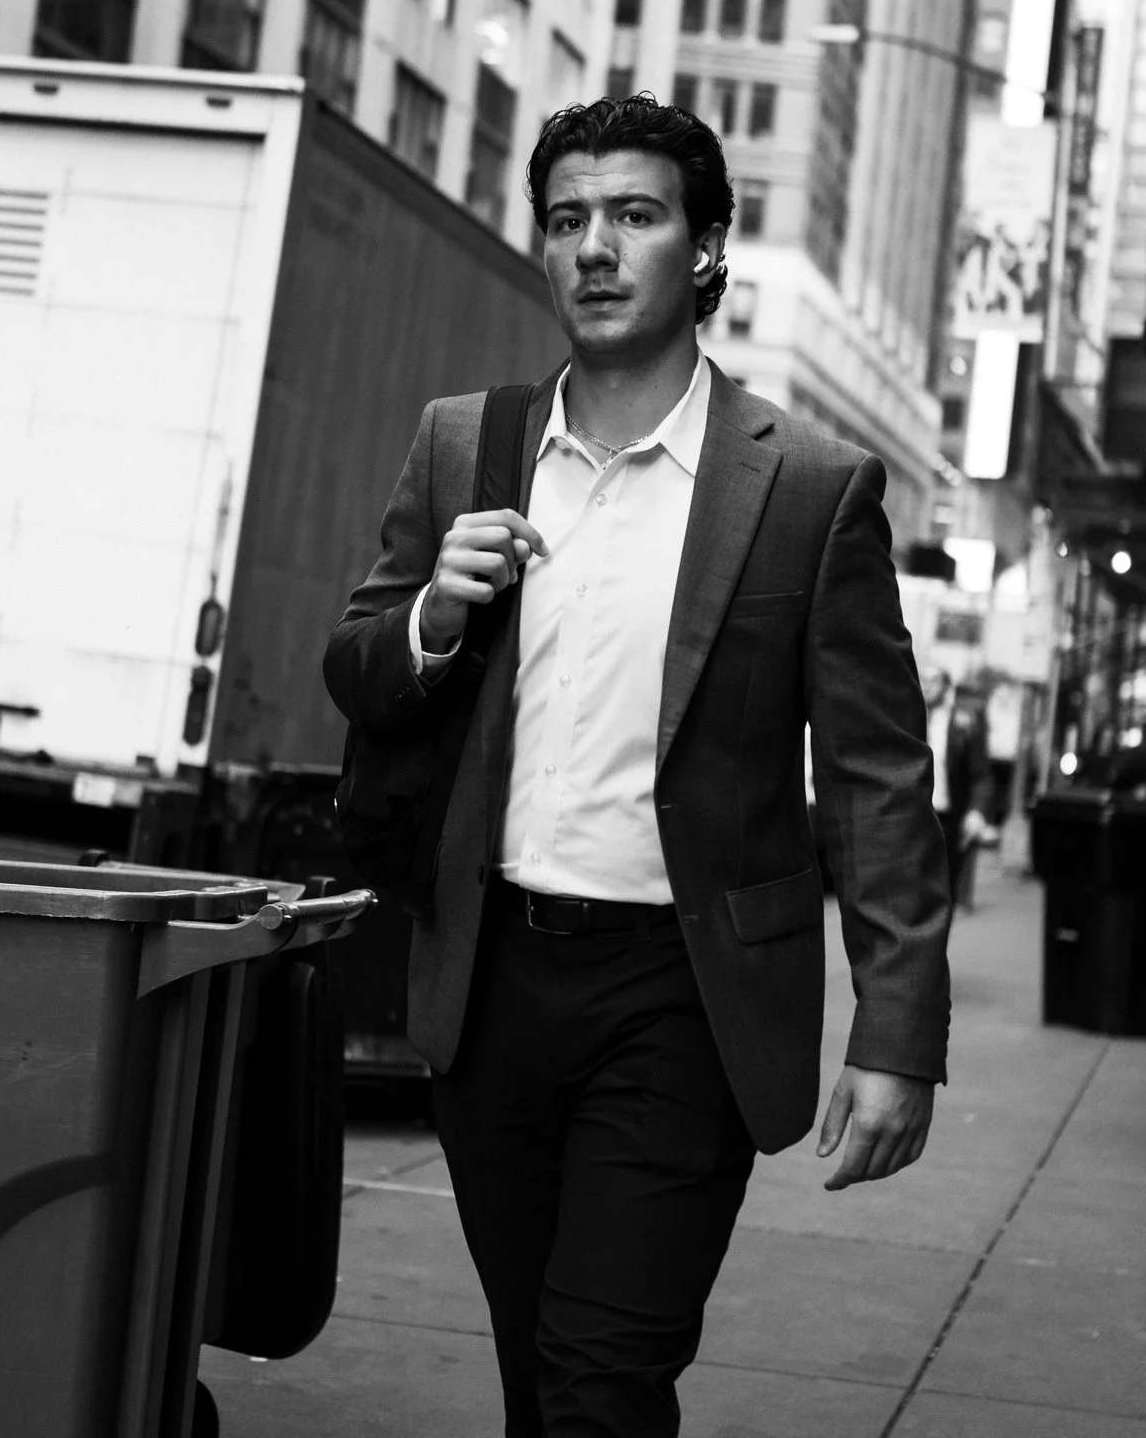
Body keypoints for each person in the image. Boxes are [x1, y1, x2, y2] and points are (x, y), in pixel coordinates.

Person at [325, 94, 951, 1438]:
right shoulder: (465, 445)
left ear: (705, 247)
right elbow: (358, 668)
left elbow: (876, 779)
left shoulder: (804, 488)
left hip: (683, 997)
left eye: (634, 216)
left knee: (603, 1376)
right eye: (567, 220)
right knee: (539, 1374)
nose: (594, 248)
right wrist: (435, 612)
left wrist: (898, 1033)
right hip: (491, 984)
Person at [925, 670, 990, 911]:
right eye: (921, 679)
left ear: (945, 686)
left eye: (932, 680)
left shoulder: (964, 722)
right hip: (912, 817)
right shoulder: (905, 716)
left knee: (943, 892)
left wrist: (976, 811)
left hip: (947, 818)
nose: (926, 687)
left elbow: (981, 774)